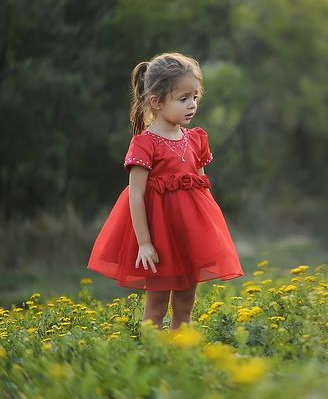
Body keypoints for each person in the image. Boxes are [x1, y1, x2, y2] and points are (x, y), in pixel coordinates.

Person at [88, 52, 244, 330]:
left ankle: (179, 359)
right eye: (183, 99)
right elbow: (135, 196)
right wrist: (145, 243)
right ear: (156, 102)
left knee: (185, 305)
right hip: (160, 239)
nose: (192, 105)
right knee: (157, 307)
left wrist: (209, 234)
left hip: (188, 237)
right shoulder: (144, 144)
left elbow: (202, 189)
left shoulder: (195, 139)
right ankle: (155, 359)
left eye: (195, 97)